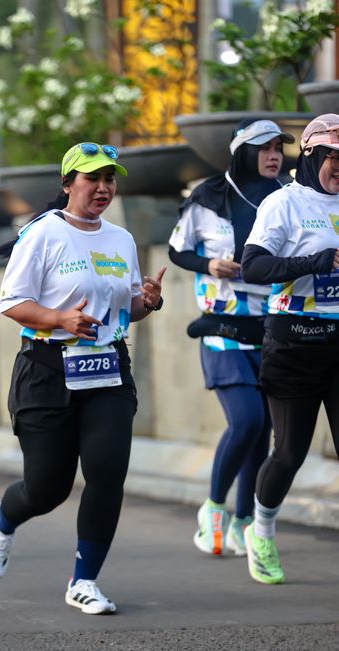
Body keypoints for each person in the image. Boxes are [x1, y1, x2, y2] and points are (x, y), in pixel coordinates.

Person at [0, 141, 165, 614]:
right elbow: (12, 303)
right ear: (67, 184)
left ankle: (85, 581)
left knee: (107, 473)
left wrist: (148, 301)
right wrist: (60, 319)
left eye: (109, 178)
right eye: (92, 178)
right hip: (47, 370)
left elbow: (126, 309)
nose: (103, 187)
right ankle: (3, 519)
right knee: (47, 489)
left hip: (108, 370)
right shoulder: (42, 233)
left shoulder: (120, 240)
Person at [169, 119, 295, 557]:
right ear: (243, 151)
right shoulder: (207, 197)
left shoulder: (288, 198)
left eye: (278, 147)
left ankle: (243, 521)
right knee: (246, 420)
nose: (274, 155)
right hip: (221, 326)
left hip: (273, 325)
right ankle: (213, 508)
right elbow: (177, 250)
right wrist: (209, 265)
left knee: (263, 431)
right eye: (264, 148)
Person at [241, 113, 339, 584]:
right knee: (290, 452)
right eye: (334, 158)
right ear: (313, 154)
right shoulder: (285, 203)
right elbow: (253, 267)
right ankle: (261, 530)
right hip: (294, 342)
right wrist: (314, 262)